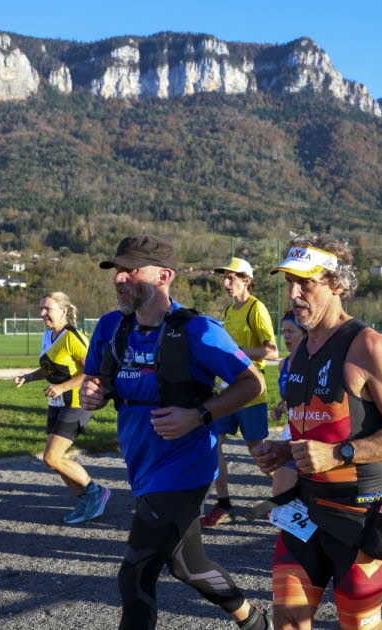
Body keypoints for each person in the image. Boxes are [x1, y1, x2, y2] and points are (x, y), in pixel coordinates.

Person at [78, 234, 269, 630]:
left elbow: (253, 384)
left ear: (163, 276)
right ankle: (254, 622)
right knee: (187, 564)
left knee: (136, 572)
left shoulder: (198, 329)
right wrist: (94, 392)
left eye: (131, 270)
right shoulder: (111, 327)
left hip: (184, 467)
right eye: (117, 270)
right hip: (141, 464)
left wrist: (198, 416)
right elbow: (98, 379)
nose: (119, 278)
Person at [252, 233, 382, 629]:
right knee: (288, 621)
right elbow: (313, 429)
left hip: (358, 513)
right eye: (289, 282)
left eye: (306, 283)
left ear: (336, 284)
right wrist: (284, 452)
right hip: (304, 509)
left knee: (362, 627)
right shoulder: (299, 349)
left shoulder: (366, 345)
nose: (293, 294)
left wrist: (339, 454)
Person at [14, 292, 111, 525]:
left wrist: (62, 387)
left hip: (77, 402)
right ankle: (86, 501)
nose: (42, 313)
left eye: (47, 308)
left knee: (52, 456)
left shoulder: (73, 337)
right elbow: (48, 369)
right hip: (57, 403)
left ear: (63, 311)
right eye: (41, 308)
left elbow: (93, 370)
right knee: (55, 460)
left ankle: (96, 493)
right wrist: (29, 377)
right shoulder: (48, 335)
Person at [202, 257, 279, 528]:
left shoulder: (256, 308)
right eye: (224, 278)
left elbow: (272, 351)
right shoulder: (228, 311)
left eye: (231, 278)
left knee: (258, 452)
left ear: (246, 280)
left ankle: (288, 497)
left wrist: (238, 353)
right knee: (213, 445)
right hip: (227, 389)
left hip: (251, 391)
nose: (226, 283)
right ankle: (224, 505)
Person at [267, 311, 307, 496]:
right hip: (291, 428)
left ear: (304, 333)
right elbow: (287, 397)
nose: (286, 337)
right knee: (278, 484)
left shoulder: (313, 362)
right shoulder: (283, 364)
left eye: (291, 331)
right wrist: (279, 407)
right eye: (284, 332)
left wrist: (294, 404)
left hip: (311, 429)